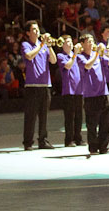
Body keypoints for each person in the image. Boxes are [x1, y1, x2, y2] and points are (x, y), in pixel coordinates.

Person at [77, 32, 109, 155]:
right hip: (90, 94)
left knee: (106, 121)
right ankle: (93, 147)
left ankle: (104, 146)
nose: (91, 44)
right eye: (88, 42)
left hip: (103, 92)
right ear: (82, 44)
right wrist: (97, 54)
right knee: (92, 123)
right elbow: (87, 66)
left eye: (92, 41)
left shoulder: (98, 56)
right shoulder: (80, 57)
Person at [21, 21, 57, 150]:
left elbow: (53, 60)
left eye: (38, 29)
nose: (37, 32)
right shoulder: (26, 45)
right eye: (34, 30)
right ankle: (28, 142)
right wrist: (41, 44)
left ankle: (43, 140)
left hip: (45, 84)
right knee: (30, 116)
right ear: (28, 33)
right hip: (32, 85)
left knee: (44, 115)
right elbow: (29, 56)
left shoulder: (44, 46)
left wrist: (49, 46)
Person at [57, 35, 84, 146]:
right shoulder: (61, 56)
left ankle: (78, 138)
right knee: (69, 116)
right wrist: (75, 55)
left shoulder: (77, 55)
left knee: (79, 115)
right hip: (69, 90)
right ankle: (69, 139)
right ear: (62, 45)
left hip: (79, 89)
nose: (70, 44)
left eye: (71, 41)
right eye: (67, 42)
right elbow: (67, 66)